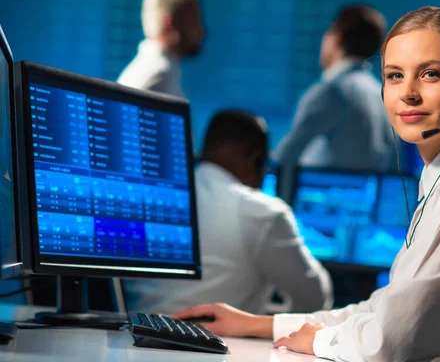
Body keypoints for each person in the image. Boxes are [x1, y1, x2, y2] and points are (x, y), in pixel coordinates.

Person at [172, 7, 440, 361]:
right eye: (395, 75)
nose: (408, 93)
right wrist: (259, 325)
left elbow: (394, 340)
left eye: (430, 74)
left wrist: (319, 341)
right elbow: (387, 312)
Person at [125, 110, 332, 315]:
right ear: (255, 160)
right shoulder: (263, 213)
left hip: (133, 337)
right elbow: (314, 300)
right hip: (212, 345)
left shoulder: (154, 195)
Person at [274, 4, 394, 171]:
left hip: (320, 193)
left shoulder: (332, 91)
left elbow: (285, 156)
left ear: (336, 37)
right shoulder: (381, 93)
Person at [117, 0, 205, 97]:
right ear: (171, 24)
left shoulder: (152, 70)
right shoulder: (159, 77)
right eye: (194, 22)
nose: (202, 31)